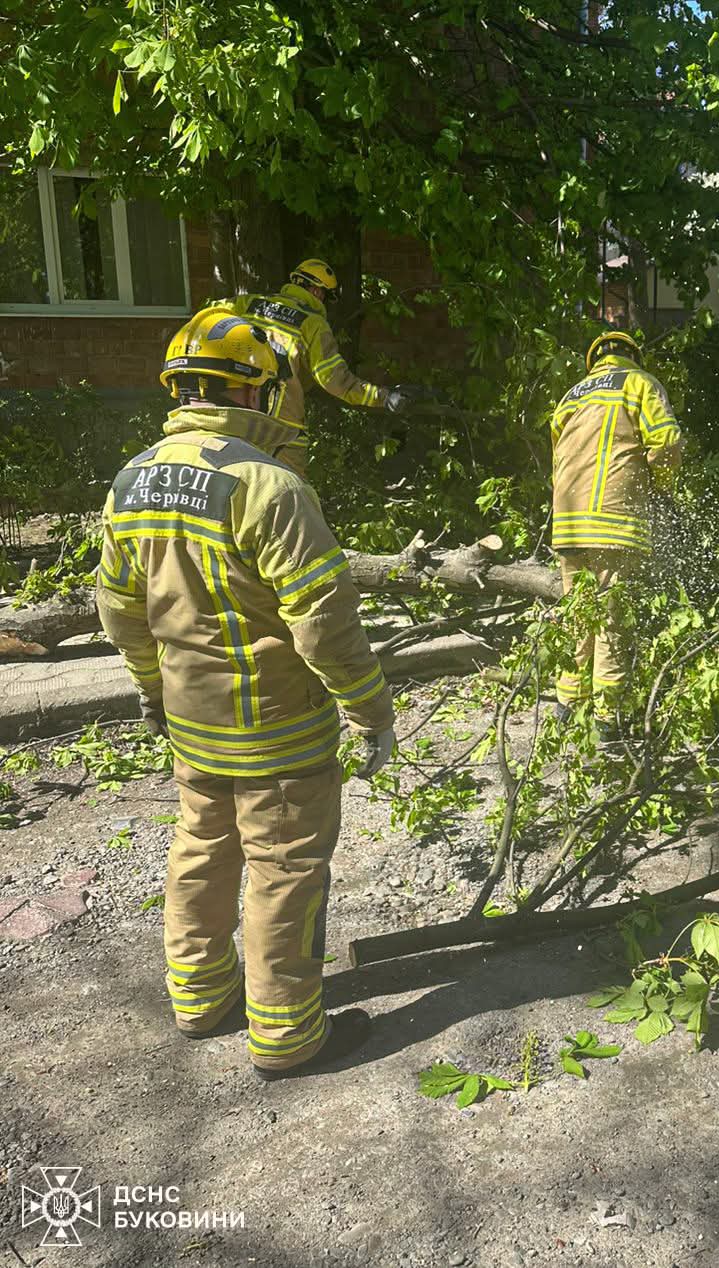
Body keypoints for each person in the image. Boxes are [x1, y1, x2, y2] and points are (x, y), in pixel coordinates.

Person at [96, 307, 395, 1080]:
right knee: (284, 869)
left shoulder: (131, 482)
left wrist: (150, 689)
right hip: (279, 730)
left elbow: (119, 609)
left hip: (192, 723)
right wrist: (370, 712)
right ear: (256, 392)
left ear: (179, 388)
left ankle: (199, 998)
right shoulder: (269, 485)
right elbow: (322, 623)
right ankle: (288, 1034)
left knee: (201, 849)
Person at [550, 329, 683, 739]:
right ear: (633, 356)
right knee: (611, 620)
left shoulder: (571, 396)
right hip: (615, 521)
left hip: (568, 521)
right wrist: (662, 488)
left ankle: (568, 705)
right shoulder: (640, 383)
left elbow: (557, 456)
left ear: (594, 361)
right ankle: (608, 719)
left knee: (578, 615)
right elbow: (666, 441)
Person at [222, 257, 418, 474]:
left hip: (235, 412)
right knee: (290, 488)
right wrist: (384, 397)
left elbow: (206, 316)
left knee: (233, 478)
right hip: (282, 428)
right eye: (325, 296)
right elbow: (335, 380)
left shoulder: (247, 304)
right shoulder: (313, 323)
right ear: (316, 291)